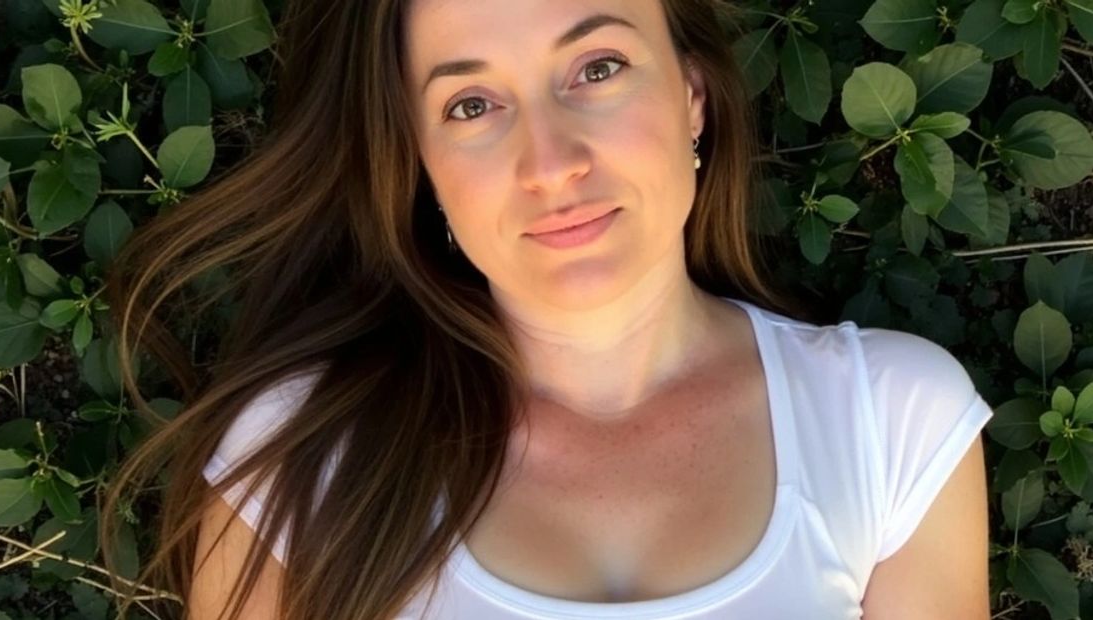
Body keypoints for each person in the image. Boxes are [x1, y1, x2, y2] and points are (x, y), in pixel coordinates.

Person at [101, 1, 994, 619]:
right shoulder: (298, 460)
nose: (551, 162)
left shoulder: (889, 424)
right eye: (471, 105)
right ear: (420, 163)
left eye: (597, 68)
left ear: (692, 95)